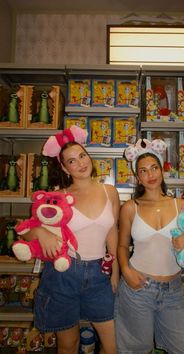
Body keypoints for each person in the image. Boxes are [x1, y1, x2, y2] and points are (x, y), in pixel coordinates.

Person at [19, 126, 120, 354]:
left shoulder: (109, 192)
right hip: (64, 273)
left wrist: (115, 269)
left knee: (112, 346)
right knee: (68, 345)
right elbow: (25, 230)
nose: (81, 163)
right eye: (72, 161)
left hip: (100, 273)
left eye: (82, 155)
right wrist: (41, 233)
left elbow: (112, 230)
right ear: (64, 168)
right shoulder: (58, 196)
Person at [115, 138, 184, 354]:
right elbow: (121, 247)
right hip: (137, 290)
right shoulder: (130, 207)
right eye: (144, 171)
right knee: (135, 351)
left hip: (173, 292)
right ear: (138, 177)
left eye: (154, 167)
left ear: (161, 170)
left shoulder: (181, 206)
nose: (151, 174)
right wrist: (126, 271)